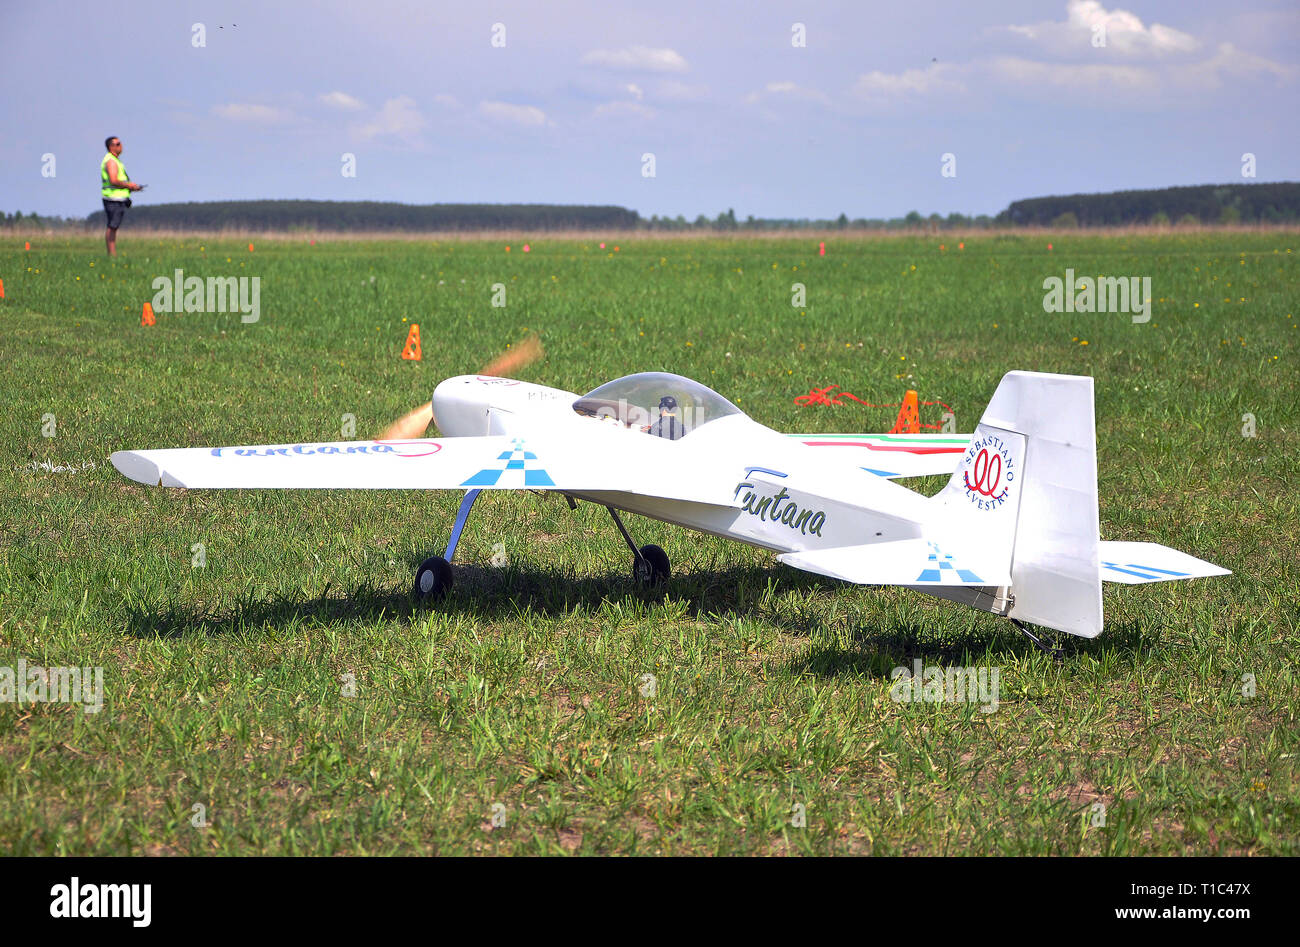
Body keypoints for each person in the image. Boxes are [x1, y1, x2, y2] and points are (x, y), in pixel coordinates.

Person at [101, 136, 143, 256]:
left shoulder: (115, 160)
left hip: (117, 198)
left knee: (114, 226)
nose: (121, 146)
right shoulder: (111, 161)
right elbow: (114, 180)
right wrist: (129, 186)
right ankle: (112, 255)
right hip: (113, 199)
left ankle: (112, 254)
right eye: (118, 144)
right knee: (112, 226)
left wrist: (132, 188)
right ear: (111, 147)